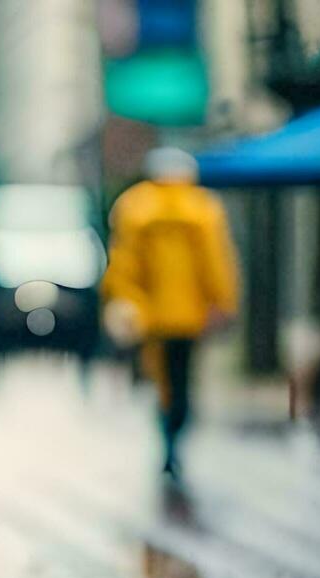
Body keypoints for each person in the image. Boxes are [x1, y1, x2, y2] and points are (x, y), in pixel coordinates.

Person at [102, 147, 239, 479]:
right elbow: (216, 263)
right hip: (191, 316)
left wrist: (124, 302)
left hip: (151, 318)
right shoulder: (203, 207)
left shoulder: (134, 206)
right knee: (184, 378)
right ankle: (178, 432)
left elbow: (123, 265)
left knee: (162, 381)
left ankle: (167, 437)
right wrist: (223, 302)